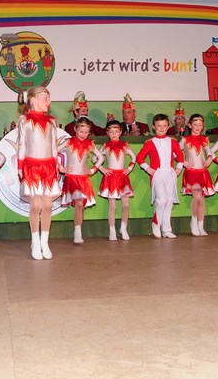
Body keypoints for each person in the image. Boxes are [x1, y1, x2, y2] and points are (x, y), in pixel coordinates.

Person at [16, 86, 63, 260]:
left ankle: (45, 241)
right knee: (35, 206)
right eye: (45, 98)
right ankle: (35, 241)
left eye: (49, 98)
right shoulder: (24, 120)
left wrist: (56, 163)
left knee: (48, 206)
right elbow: (22, 145)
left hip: (48, 167)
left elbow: (53, 146)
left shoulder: (51, 122)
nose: (48, 102)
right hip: (32, 167)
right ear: (33, 99)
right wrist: (20, 167)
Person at [136, 113, 184, 238]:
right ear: (154, 127)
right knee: (162, 200)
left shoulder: (172, 141)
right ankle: (156, 223)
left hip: (170, 173)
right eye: (159, 126)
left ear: (168, 127)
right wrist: (147, 168)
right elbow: (140, 157)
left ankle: (166, 229)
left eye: (164, 126)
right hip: (158, 174)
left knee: (169, 200)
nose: (161, 128)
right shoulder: (150, 142)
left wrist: (179, 168)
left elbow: (180, 155)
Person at [61, 116, 105, 244]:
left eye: (86, 132)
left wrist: (93, 169)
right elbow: (53, 152)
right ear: (75, 129)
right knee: (79, 203)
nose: (83, 134)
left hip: (83, 179)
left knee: (81, 205)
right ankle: (77, 231)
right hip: (72, 178)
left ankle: (78, 229)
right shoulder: (68, 142)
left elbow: (101, 157)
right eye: (81, 131)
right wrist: (61, 168)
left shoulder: (90, 143)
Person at [99, 120, 136, 241]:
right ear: (107, 133)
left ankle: (123, 228)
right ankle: (112, 230)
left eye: (116, 131)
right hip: (111, 178)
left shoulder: (125, 145)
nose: (114, 134)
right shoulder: (105, 146)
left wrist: (129, 168)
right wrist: (102, 168)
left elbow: (134, 157)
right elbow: (95, 158)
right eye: (111, 132)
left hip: (122, 177)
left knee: (126, 204)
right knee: (112, 205)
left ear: (120, 132)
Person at [180, 114, 215, 236]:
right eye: (195, 124)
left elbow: (210, 153)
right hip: (191, 172)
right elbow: (175, 152)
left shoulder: (205, 139)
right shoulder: (185, 139)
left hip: (202, 172)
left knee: (202, 200)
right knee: (197, 197)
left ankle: (201, 225)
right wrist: (183, 162)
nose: (198, 127)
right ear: (190, 125)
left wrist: (209, 159)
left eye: (200, 125)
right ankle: (193, 222)